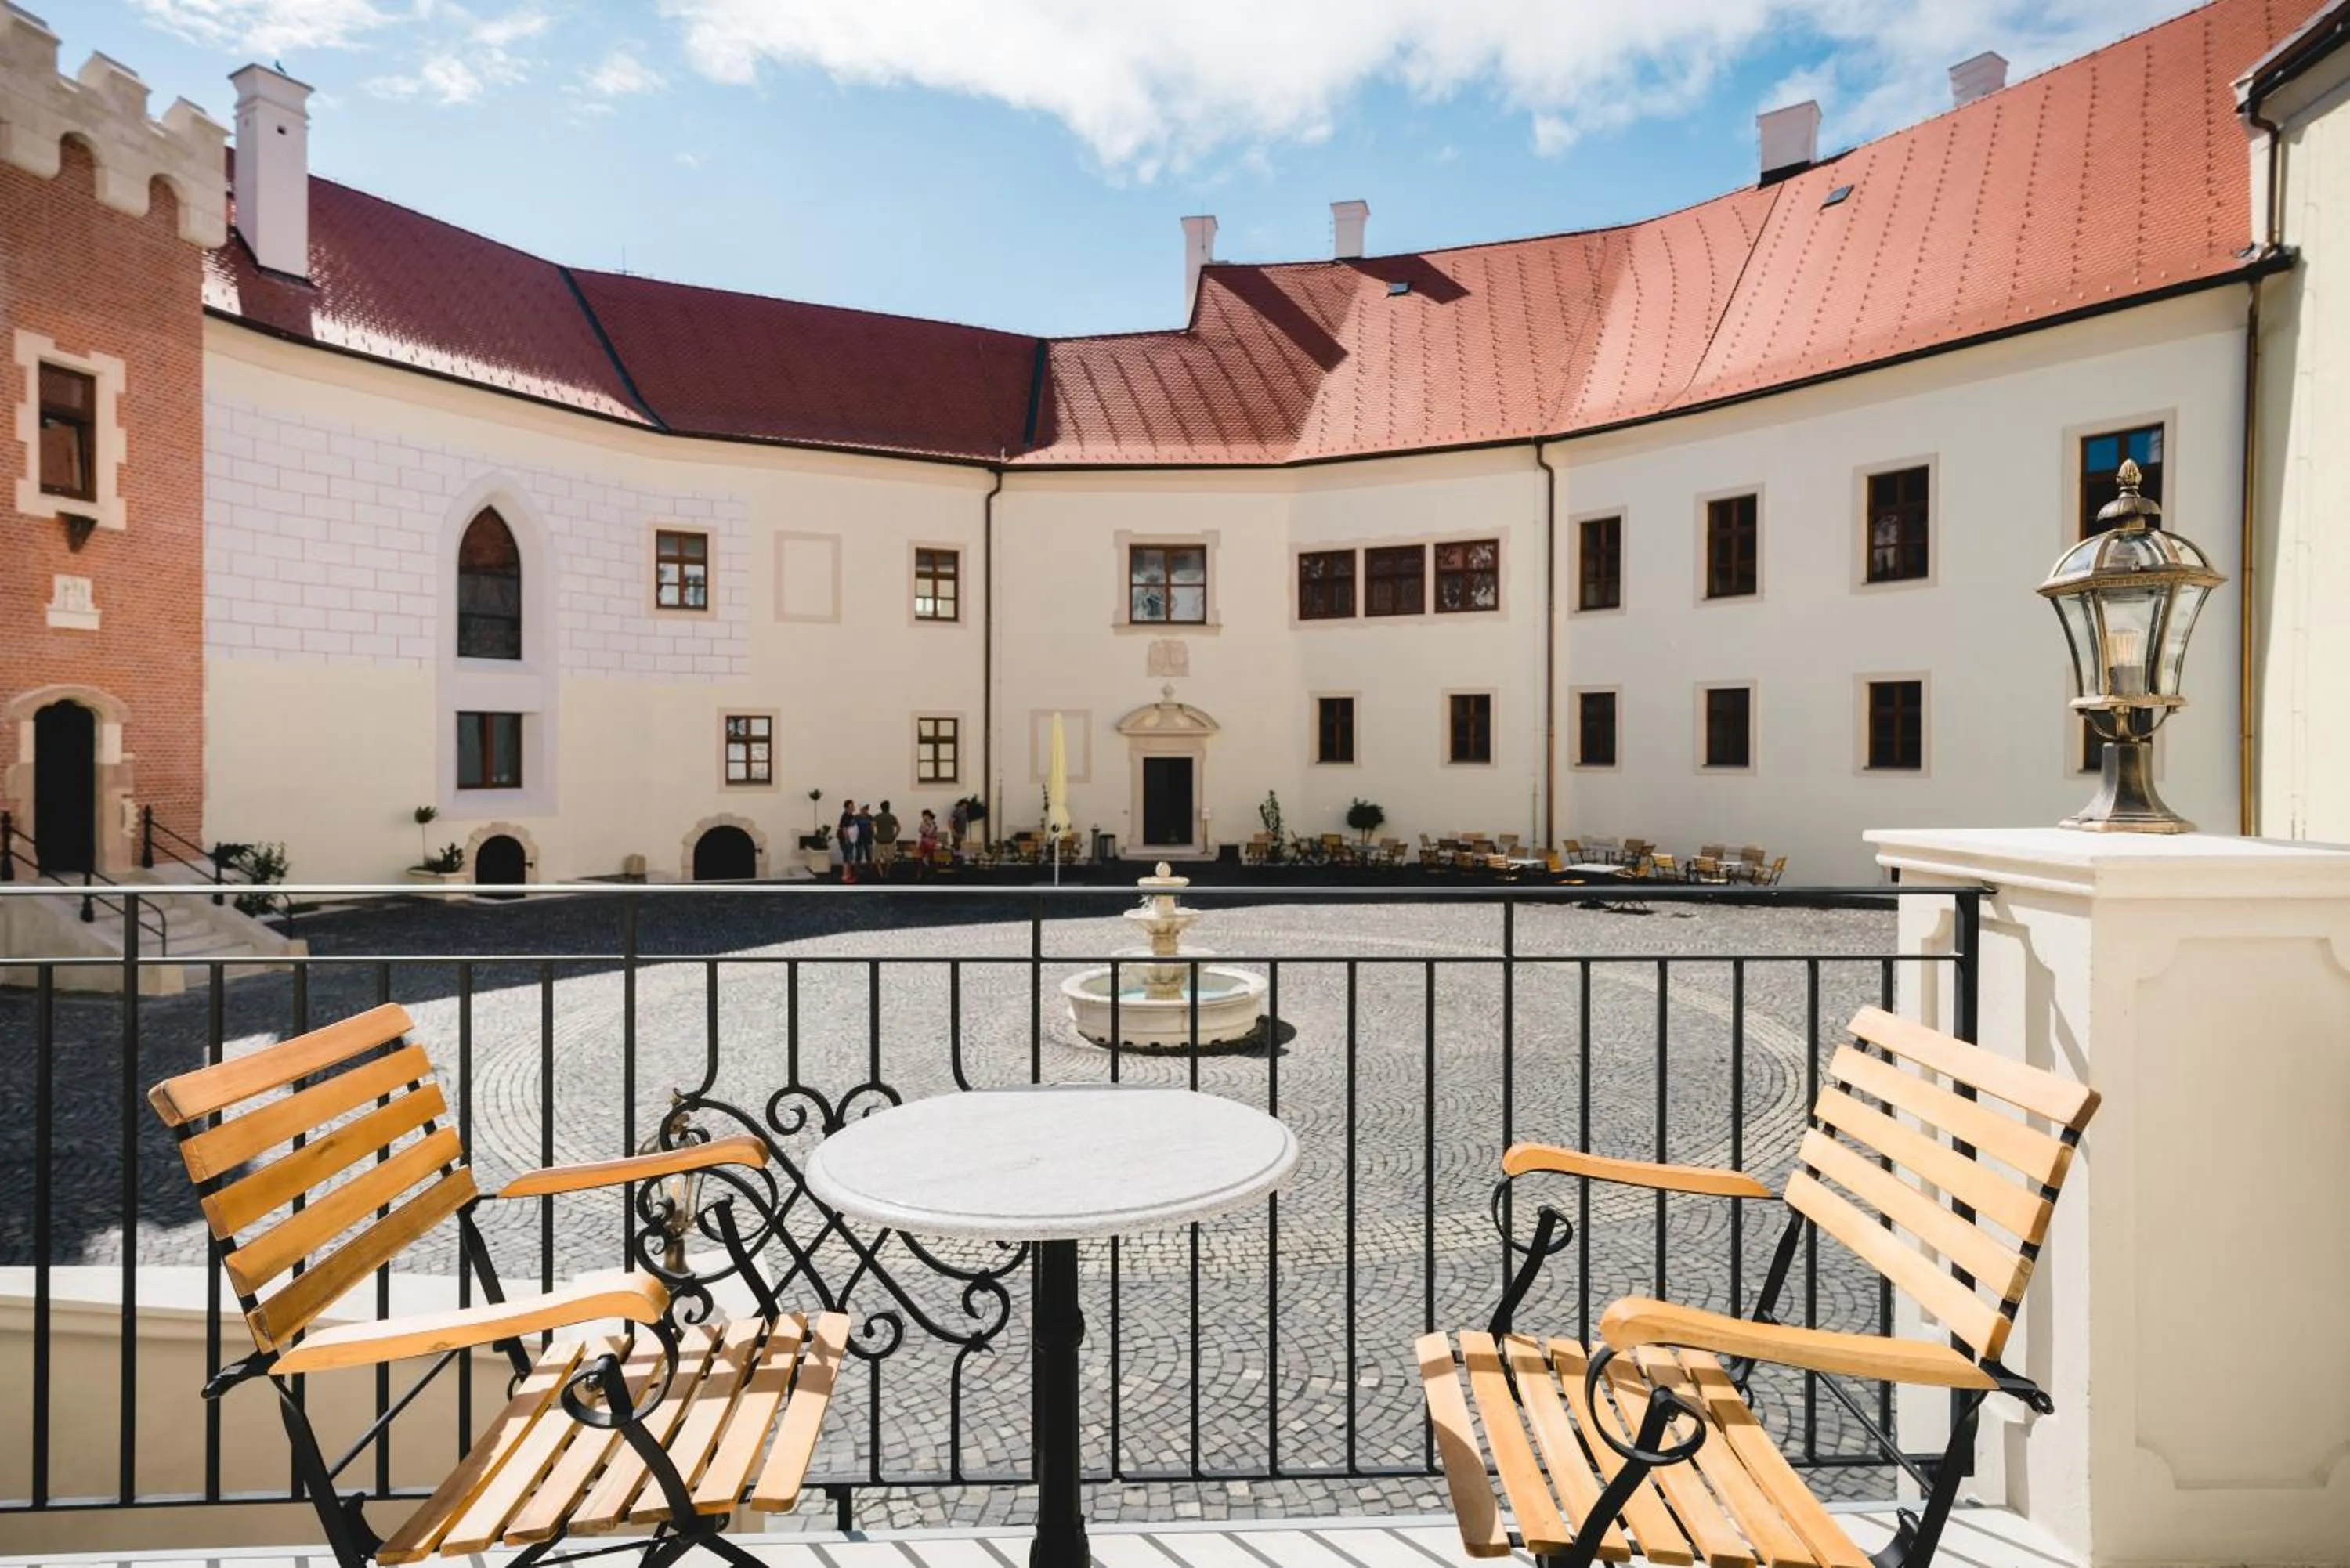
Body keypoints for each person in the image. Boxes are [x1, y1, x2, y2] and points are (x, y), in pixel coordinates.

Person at [872, 800, 900, 869]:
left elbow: (872, 827)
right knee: (889, 859)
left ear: (881, 808)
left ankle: (881, 873)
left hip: (880, 841)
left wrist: (875, 836)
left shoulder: (877, 816)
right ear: (889, 808)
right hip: (890, 840)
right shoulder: (892, 817)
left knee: (877, 859)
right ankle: (887, 873)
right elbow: (899, 828)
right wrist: (894, 836)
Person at [837, 799, 859, 882]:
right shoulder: (846, 816)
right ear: (847, 807)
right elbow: (844, 829)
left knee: (849, 858)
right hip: (846, 841)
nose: (853, 807)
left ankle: (849, 875)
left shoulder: (851, 815)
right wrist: (847, 839)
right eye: (852, 806)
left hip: (851, 840)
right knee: (847, 858)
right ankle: (845, 876)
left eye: (853, 805)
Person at [854, 800, 877, 867]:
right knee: (859, 855)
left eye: (867, 808)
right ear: (861, 809)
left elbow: (872, 827)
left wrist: (874, 835)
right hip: (859, 839)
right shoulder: (856, 817)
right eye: (864, 808)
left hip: (869, 838)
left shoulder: (870, 817)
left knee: (869, 855)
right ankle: (857, 870)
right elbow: (853, 828)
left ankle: (870, 869)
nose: (866, 810)